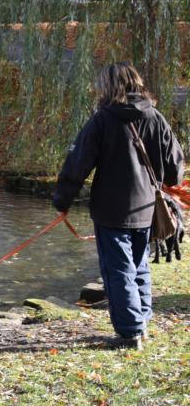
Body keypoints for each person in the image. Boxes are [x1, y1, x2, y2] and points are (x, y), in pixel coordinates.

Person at [53, 61, 184, 349]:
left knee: (118, 271)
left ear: (108, 87)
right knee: (138, 267)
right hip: (147, 208)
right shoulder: (156, 117)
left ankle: (130, 334)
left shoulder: (102, 120)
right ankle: (141, 323)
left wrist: (62, 201)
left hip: (111, 211)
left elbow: (77, 164)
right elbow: (175, 169)